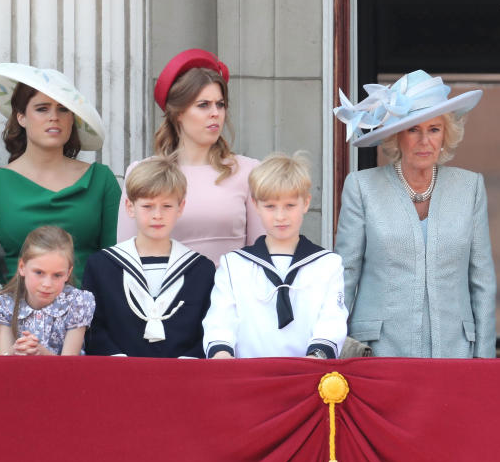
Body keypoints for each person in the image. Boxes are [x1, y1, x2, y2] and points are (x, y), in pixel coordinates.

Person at [332, 70, 496, 358]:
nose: (425, 141)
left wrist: (484, 358)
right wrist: (336, 347)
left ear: (446, 135)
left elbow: (482, 280)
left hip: (455, 352)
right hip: (379, 352)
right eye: (413, 129)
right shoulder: (361, 187)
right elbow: (345, 274)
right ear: (397, 136)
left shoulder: (470, 187)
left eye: (434, 129)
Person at [0, 63, 120, 285]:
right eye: (42, 108)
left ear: (72, 120)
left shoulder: (102, 180)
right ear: (21, 117)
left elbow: (118, 262)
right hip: (14, 314)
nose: (54, 117)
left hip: (90, 314)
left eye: (63, 109)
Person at [118, 50, 263, 265]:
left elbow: (261, 253)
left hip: (232, 294)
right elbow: (126, 254)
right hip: (166, 294)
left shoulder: (249, 171)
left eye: (220, 104)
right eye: (203, 105)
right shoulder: (142, 172)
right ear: (178, 113)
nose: (215, 113)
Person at [203, 153, 347, 359]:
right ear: (255, 205)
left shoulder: (327, 264)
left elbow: (331, 320)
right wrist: (222, 355)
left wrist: (315, 358)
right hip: (248, 377)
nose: (280, 216)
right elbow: (220, 320)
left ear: (306, 203)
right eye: (270, 206)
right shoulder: (234, 265)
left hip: (307, 375)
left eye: (290, 205)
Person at [83, 157, 216, 357]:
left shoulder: (201, 269)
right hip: (117, 378)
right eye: (147, 206)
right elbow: (94, 328)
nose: (157, 215)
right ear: (130, 207)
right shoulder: (101, 266)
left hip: (184, 379)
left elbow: (208, 326)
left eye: (167, 206)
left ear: (180, 207)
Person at [0, 226, 95, 356]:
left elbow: (70, 366)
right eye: (39, 272)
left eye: (57, 275)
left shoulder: (77, 303)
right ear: (22, 267)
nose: (47, 284)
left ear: (68, 273)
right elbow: (4, 361)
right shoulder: (5, 304)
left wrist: (42, 354)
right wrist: (16, 350)